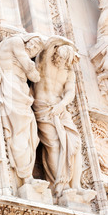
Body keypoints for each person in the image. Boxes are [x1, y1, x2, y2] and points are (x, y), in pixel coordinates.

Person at [32, 37, 84, 200]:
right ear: (56, 53)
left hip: (59, 108)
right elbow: (48, 43)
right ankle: (60, 186)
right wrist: (69, 45)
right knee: (54, 144)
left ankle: (76, 185)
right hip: (43, 107)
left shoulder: (68, 71)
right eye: (60, 57)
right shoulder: (45, 61)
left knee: (75, 143)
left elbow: (70, 92)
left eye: (65, 60)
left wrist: (61, 105)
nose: (61, 62)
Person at [0, 33, 44, 186]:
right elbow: (31, 70)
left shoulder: (16, 47)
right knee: (20, 131)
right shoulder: (16, 41)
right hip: (13, 90)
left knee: (32, 135)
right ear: (27, 39)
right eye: (34, 44)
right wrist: (35, 70)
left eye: (37, 49)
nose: (34, 49)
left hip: (19, 91)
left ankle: (26, 174)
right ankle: (25, 177)